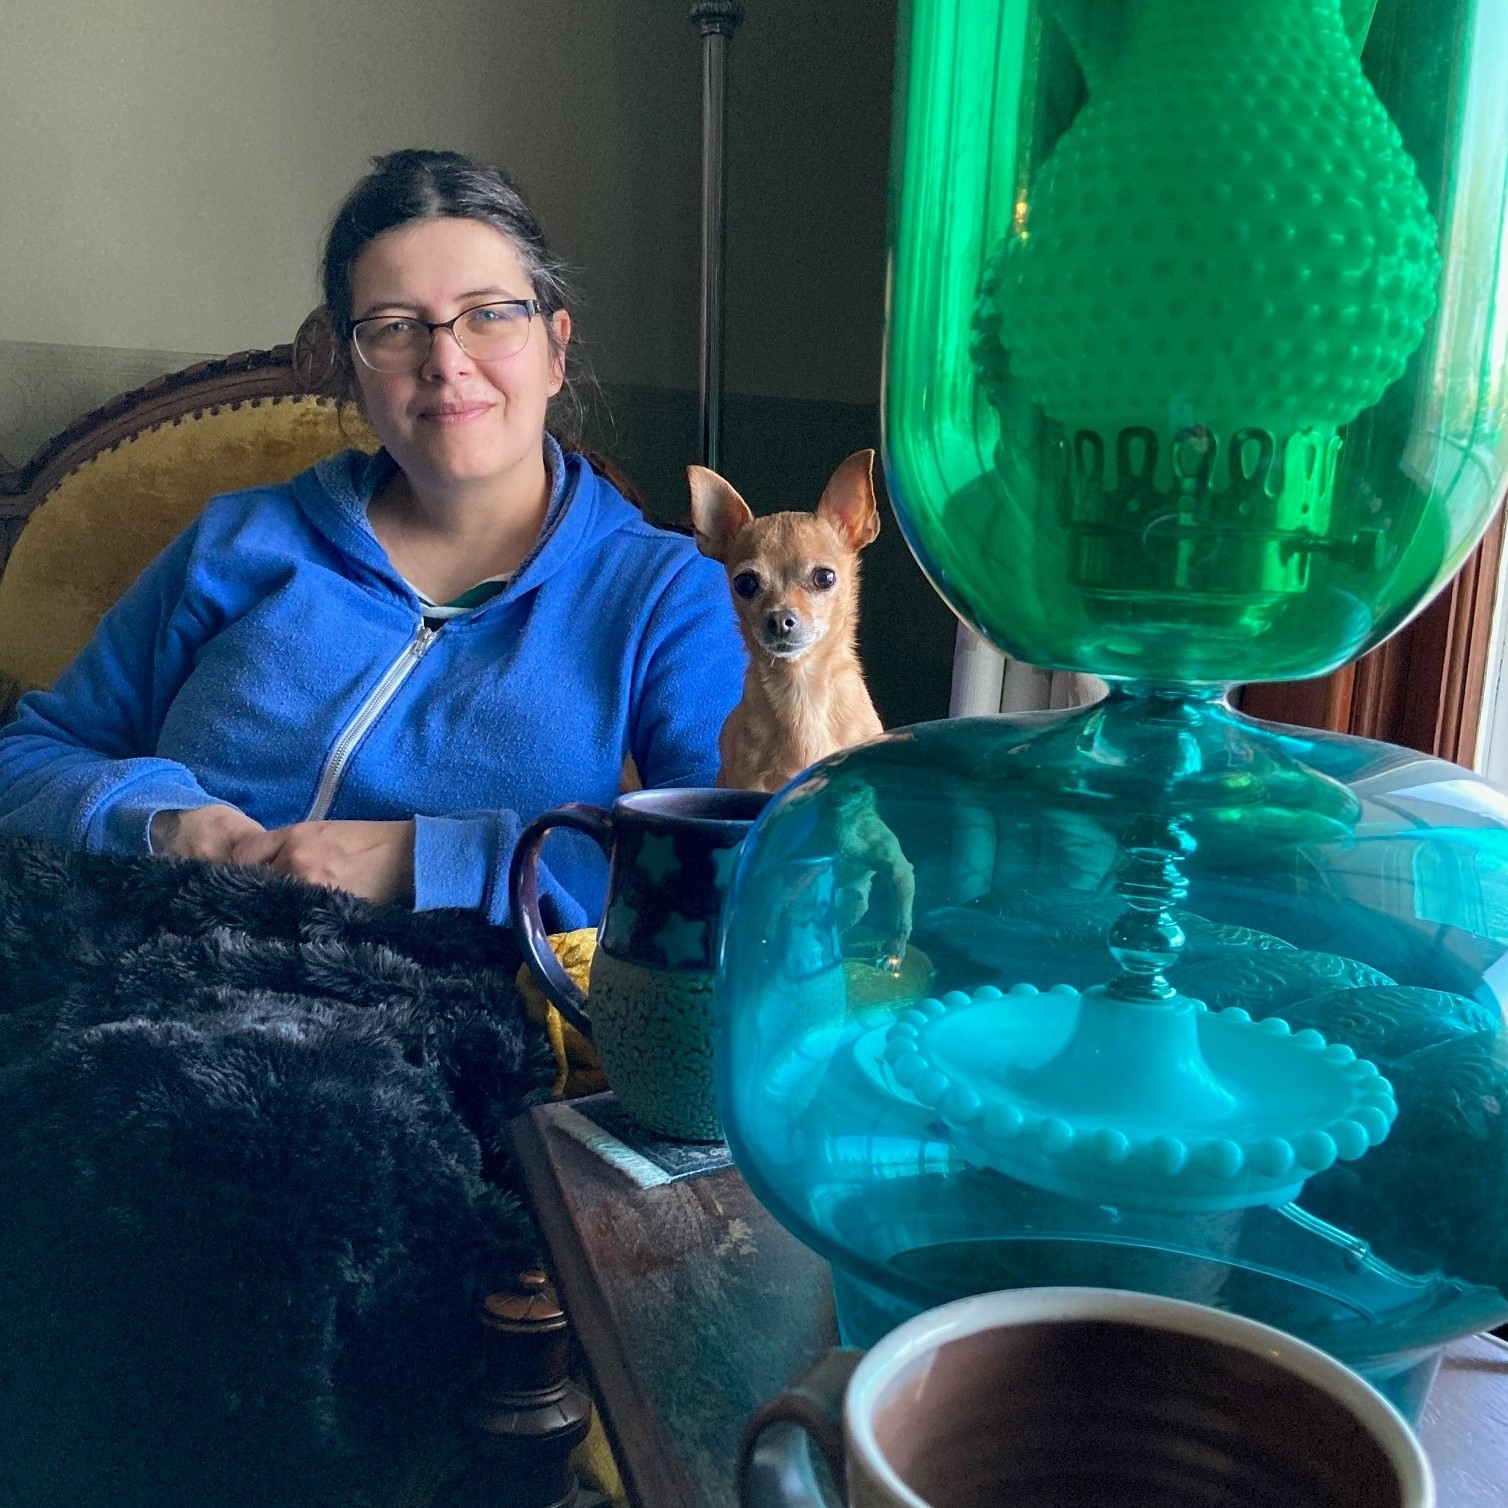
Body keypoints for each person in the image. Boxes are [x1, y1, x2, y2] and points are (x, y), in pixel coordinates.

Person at [0, 149, 745, 930]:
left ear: (555, 349)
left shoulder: (671, 593)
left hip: (444, 1019)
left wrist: (430, 862)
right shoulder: (239, 540)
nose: (446, 362)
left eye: (489, 315)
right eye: (395, 328)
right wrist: (160, 822)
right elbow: (28, 760)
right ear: (351, 369)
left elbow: (734, 868)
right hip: (144, 967)